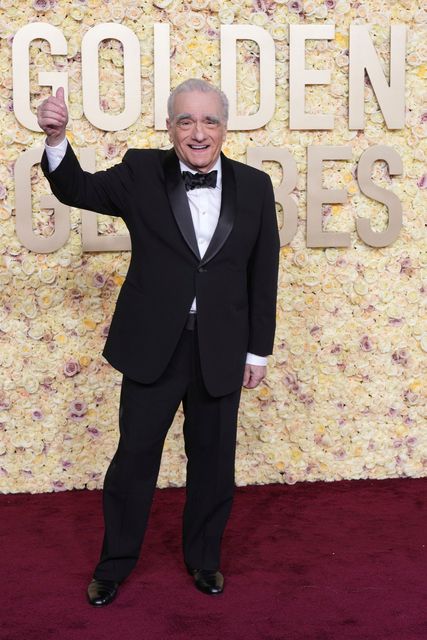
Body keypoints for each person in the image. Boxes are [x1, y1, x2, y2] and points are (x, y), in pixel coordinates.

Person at [37, 78, 280, 605]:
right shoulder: (141, 171)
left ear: (225, 127)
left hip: (221, 348)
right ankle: (115, 564)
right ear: (169, 128)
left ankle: (204, 560)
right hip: (153, 347)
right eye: (186, 121)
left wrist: (258, 350)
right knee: (135, 460)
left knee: (214, 463)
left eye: (209, 120)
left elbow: (264, 273)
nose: (198, 132)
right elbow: (77, 188)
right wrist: (57, 138)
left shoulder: (256, 186)